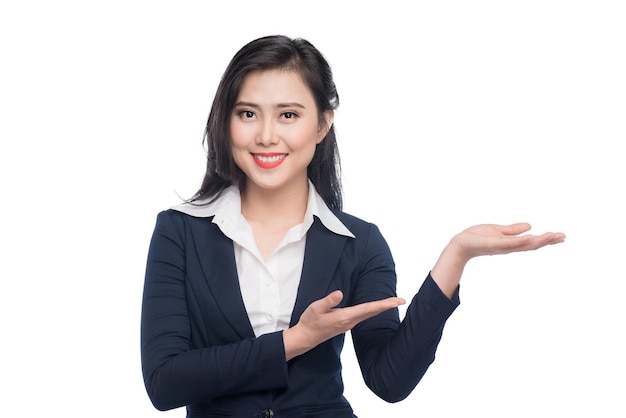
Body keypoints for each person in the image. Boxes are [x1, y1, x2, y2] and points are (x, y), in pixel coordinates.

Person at [140, 34, 565, 418]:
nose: (266, 135)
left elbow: (389, 382)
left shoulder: (359, 243)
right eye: (248, 113)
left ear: (323, 124)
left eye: (288, 115)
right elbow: (164, 382)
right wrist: (298, 339)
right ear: (226, 121)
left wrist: (456, 256)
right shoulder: (180, 232)